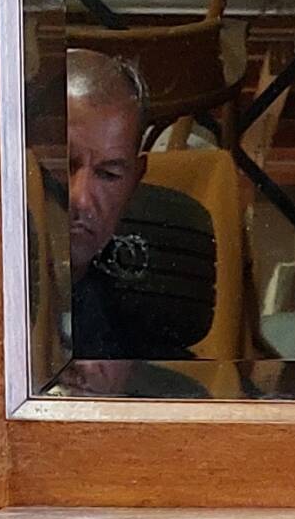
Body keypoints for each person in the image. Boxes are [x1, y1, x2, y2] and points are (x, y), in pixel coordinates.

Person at [58, 51, 216, 365]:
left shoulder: (129, 342)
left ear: (135, 180)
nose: (82, 199)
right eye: (65, 165)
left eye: (109, 174)